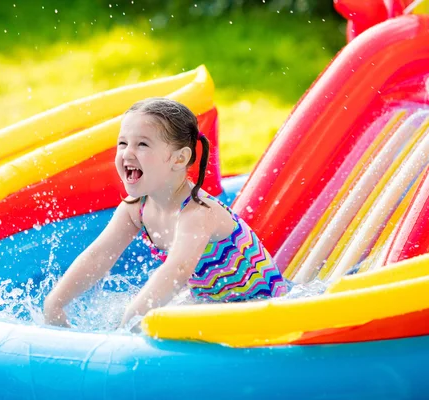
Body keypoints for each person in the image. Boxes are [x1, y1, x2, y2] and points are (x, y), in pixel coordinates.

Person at [43, 97, 287, 328]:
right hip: (216, 304)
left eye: (142, 144)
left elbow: (177, 271)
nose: (127, 153)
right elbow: (98, 256)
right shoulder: (135, 208)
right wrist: (55, 303)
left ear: (179, 159)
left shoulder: (198, 212)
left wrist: (128, 323)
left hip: (265, 310)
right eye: (123, 143)